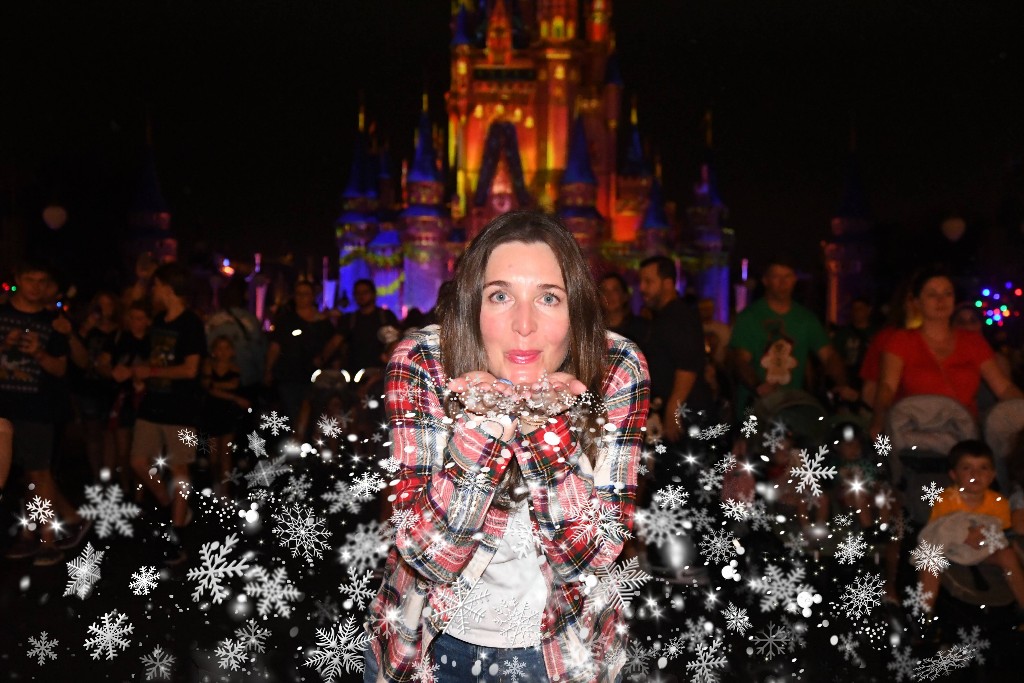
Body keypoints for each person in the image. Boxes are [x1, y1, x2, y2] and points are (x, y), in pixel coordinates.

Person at [362, 211, 650, 683]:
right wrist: (483, 428)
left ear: (575, 307)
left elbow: (591, 555)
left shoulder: (616, 366)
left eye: (549, 298)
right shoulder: (425, 363)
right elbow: (425, 554)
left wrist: (542, 428)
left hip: (562, 649)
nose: (523, 324)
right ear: (471, 305)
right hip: (427, 643)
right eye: (500, 295)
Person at [1, 260, 91, 565]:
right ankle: (31, 534)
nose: (36, 286)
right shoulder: (3, 314)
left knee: (39, 473)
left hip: (37, 407)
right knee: (24, 475)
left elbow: (61, 367)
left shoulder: (53, 321)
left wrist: (36, 352)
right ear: (18, 279)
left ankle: (47, 539)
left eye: (42, 280)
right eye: (30, 279)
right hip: (5, 407)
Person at [869, 266, 1023, 438]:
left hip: (964, 435)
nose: (941, 300)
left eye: (947, 294)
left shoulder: (973, 342)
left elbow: (1003, 388)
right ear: (917, 302)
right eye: (932, 295)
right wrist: (879, 422)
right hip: (915, 433)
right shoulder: (901, 340)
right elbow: (887, 388)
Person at [126, 262, 206, 565]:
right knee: (138, 461)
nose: (154, 291)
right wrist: (139, 375)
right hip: (152, 404)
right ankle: (172, 504)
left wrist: (152, 370)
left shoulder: (191, 324)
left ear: (168, 287)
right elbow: (149, 356)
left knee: (179, 469)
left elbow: (190, 368)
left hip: (181, 409)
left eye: (157, 285)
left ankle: (176, 534)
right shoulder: (159, 319)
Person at [729, 256, 856, 414]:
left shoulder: (806, 319)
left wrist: (841, 384)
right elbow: (740, 360)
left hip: (792, 409)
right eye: (776, 277)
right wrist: (758, 386)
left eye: (787, 277)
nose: (783, 283)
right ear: (766, 281)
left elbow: (829, 355)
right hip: (754, 410)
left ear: (794, 280)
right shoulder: (749, 318)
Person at [917, 440, 1024, 617]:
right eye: (967, 468)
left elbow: (999, 534)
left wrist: (981, 535)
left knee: (1007, 554)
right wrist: (964, 534)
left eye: (983, 468)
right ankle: (924, 612)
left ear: (992, 475)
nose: (976, 474)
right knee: (930, 559)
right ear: (954, 474)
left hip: (982, 549)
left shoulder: (999, 503)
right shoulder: (946, 499)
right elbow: (939, 532)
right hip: (951, 549)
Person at [636, 255, 711, 443]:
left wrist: (673, 411)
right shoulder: (662, 317)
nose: (642, 288)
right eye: (641, 281)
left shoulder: (679, 317)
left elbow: (688, 365)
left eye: (649, 281)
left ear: (668, 284)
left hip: (686, 417)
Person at [264, 280, 344, 425]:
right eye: (298, 294)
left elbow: (332, 348)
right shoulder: (285, 320)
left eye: (305, 294)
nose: (301, 298)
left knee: (315, 417)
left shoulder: (323, 323)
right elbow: (275, 346)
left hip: (315, 377)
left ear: (313, 296)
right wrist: (268, 369)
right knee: (294, 415)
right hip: (290, 375)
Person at [67, 290, 121, 480]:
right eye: (101, 305)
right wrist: (85, 329)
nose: (105, 309)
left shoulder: (119, 330)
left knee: (109, 432)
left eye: (109, 305)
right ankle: (96, 473)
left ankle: (107, 475)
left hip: (111, 386)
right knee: (92, 431)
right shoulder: (88, 328)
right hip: (88, 384)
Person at [104, 300, 151, 495]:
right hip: (122, 399)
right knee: (123, 450)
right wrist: (112, 372)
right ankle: (125, 487)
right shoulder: (118, 338)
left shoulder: (153, 341)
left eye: (139, 318)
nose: (134, 322)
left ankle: (140, 493)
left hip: (146, 400)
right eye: (131, 317)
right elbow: (103, 363)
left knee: (142, 451)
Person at [200, 336, 248, 495]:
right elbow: (207, 388)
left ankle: (225, 492)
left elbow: (231, 385)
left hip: (228, 413)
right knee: (213, 456)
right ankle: (215, 485)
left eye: (226, 348)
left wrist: (215, 386)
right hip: (211, 412)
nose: (223, 352)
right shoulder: (208, 365)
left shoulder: (235, 369)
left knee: (226, 455)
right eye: (219, 348)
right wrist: (233, 396)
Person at [343, 278, 399, 375]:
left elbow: (396, 342)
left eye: (365, 292)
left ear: (373, 294)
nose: (361, 296)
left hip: (381, 371)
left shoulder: (386, 316)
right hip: (355, 372)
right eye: (357, 293)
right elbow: (338, 342)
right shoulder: (350, 319)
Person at [598, 272, 647, 344]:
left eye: (615, 290)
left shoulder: (641, 328)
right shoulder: (595, 330)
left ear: (625, 296)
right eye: (604, 291)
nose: (609, 295)